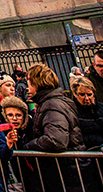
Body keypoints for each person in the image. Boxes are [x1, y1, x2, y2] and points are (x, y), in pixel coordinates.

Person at [21, 64, 82, 192]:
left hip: (64, 171)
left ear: (37, 83)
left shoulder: (52, 104)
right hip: (66, 169)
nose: (27, 88)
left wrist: (29, 146)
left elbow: (56, 140)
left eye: (29, 83)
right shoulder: (53, 101)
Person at [71, 76, 103, 150]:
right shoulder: (73, 113)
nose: (86, 98)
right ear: (75, 94)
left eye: (89, 94)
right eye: (82, 94)